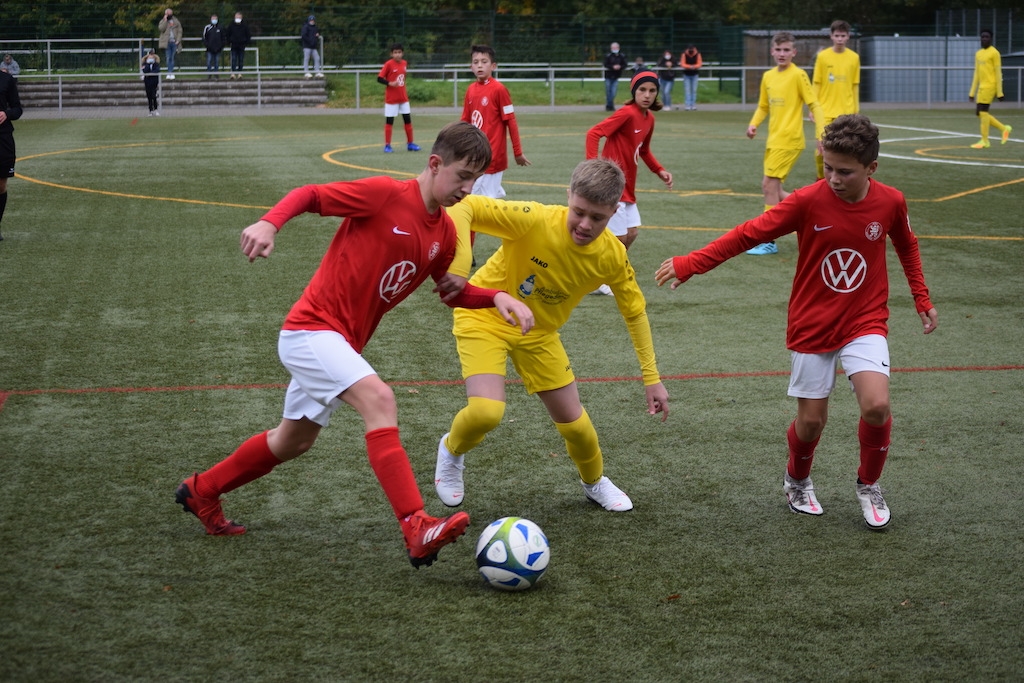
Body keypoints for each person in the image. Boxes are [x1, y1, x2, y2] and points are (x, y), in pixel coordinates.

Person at [174, 122, 535, 569]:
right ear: (434, 163)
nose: (467, 189)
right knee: (379, 399)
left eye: (475, 181)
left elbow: (452, 291)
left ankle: (202, 490)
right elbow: (310, 195)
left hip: (341, 343)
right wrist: (269, 223)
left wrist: (495, 297)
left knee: (292, 441)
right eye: (462, 176)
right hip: (310, 331)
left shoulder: (444, 233)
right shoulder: (385, 194)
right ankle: (415, 524)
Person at [655, 113, 938, 531]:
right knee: (811, 422)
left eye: (845, 172)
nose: (834, 178)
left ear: (871, 169)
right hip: (812, 322)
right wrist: (692, 262)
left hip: (865, 319)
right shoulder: (807, 200)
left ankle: (868, 485)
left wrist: (921, 297)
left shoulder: (891, 202)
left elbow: (907, 246)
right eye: (828, 167)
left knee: (877, 406)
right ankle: (798, 480)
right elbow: (749, 233)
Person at [433, 158, 670, 513]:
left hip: (540, 333)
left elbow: (634, 312)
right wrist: (459, 266)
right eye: (579, 212)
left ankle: (594, 482)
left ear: (615, 212)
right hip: (484, 316)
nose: (585, 225)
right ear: (568, 195)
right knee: (486, 412)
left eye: (598, 218)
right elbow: (464, 206)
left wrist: (652, 378)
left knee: (577, 428)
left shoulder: (612, 256)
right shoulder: (535, 218)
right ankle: (451, 452)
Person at [585, 70, 673, 293]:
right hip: (612, 184)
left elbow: (644, 151)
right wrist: (593, 165)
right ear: (634, 92)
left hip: (628, 187)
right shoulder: (626, 113)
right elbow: (593, 133)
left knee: (631, 233)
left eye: (652, 90)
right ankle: (600, 278)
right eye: (642, 90)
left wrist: (659, 170)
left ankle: (602, 274)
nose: (647, 95)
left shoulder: (649, 118)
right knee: (619, 237)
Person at [745, 31, 824, 256]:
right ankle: (816, 216)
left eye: (786, 50)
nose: (782, 54)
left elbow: (815, 105)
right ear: (772, 51)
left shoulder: (799, 75)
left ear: (794, 52)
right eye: (778, 50)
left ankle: (768, 240)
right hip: (774, 140)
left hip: (790, 140)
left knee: (768, 186)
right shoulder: (768, 77)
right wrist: (753, 124)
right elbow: (763, 106)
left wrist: (821, 135)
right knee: (775, 189)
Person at [461, 45, 531, 265]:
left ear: (493, 66)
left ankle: (516, 244)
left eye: (484, 62)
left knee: (480, 208)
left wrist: (518, 152)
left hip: (492, 160)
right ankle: (467, 253)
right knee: (471, 204)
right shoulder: (471, 90)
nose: (479, 66)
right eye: (476, 62)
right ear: (471, 67)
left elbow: (511, 122)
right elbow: (465, 121)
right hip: (474, 158)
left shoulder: (499, 90)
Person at [812, 20, 860, 179]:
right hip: (824, 111)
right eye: (837, 35)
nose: (840, 39)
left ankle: (839, 182)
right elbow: (817, 83)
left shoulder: (854, 58)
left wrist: (856, 111)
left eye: (843, 36)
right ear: (831, 36)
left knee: (845, 151)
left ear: (848, 37)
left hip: (846, 112)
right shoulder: (822, 57)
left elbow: (855, 85)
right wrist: (813, 108)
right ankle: (820, 180)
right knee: (820, 151)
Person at [968, 29, 1012, 149]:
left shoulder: (994, 53)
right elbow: (977, 73)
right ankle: (1004, 128)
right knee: (979, 113)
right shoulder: (978, 54)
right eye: (982, 37)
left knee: (983, 112)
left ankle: (985, 141)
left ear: (991, 39)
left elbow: (998, 73)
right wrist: (972, 92)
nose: (984, 39)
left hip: (990, 86)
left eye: (987, 37)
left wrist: (1000, 92)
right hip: (982, 87)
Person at [377, 43, 421, 153]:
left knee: (407, 120)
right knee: (389, 121)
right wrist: (390, 83)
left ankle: (410, 143)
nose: (397, 54)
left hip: (403, 98)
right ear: (391, 54)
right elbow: (379, 78)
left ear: (402, 53)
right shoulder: (388, 64)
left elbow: (402, 79)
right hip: (391, 99)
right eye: (395, 52)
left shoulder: (404, 63)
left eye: (399, 52)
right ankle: (387, 145)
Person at [0, 64, 23, 243]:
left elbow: (17, 109)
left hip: (3, 138)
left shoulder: (7, 80)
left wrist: (6, 114)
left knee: (1, 186)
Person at [158, 8, 182, 80]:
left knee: (172, 57)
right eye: (167, 14)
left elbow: (180, 31)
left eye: (170, 14)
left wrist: (178, 40)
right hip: (167, 43)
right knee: (168, 58)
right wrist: (165, 21)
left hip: (174, 42)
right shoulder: (163, 21)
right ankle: (169, 72)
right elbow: (161, 29)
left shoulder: (176, 21)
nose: (168, 15)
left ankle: (172, 72)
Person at [225, 12, 252, 80]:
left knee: (241, 60)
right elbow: (227, 34)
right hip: (234, 45)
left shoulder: (244, 26)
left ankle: (240, 74)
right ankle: (233, 74)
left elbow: (248, 35)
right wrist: (229, 42)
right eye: (237, 17)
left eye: (239, 17)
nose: (238, 18)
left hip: (241, 46)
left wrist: (246, 42)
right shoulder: (231, 25)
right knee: (233, 60)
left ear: (241, 18)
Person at [603, 42, 628, 111]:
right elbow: (605, 64)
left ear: (618, 48)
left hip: (616, 76)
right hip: (608, 76)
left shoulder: (622, 56)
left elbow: (625, 64)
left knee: (613, 92)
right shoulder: (608, 56)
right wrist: (612, 67)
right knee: (608, 92)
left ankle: (609, 105)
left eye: (615, 48)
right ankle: (609, 106)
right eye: (613, 48)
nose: (614, 49)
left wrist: (620, 67)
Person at [202, 14, 226, 80]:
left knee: (217, 62)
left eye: (215, 19)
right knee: (209, 61)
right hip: (209, 49)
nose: (214, 20)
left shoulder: (220, 28)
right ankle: (209, 74)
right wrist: (208, 46)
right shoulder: (207, 27)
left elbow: (223, 38)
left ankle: (216, 74)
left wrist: (221, 46)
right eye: (213, 19)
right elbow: (204, 38)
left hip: (218, 49)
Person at [680, 45, 702, 111]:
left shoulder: (698, 54)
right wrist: (689, 66)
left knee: (694, 90)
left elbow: (699, 63)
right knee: (687, 90)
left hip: (695, 74)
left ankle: (693, 104)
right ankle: (688, 105)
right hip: (686, 75)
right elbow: (682, 64)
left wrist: (694, 66)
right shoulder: (684, 54)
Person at [140, 49, 161, 116]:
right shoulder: (144, 64)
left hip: (154, 81)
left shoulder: (156, 64)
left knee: (154, 95)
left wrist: (151, 73)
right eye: (150, 56)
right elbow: (145, 71)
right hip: (147, 81)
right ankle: (150, 110)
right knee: (149, 96)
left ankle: (156, 109)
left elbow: (157, 70)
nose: (151, 57)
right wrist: (148, 64)